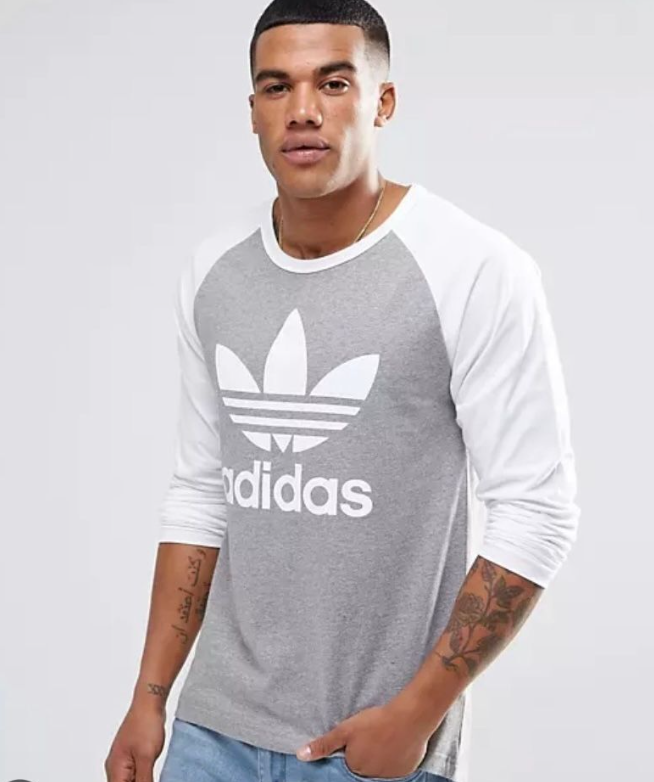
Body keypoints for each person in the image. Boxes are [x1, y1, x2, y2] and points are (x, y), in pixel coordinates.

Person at [104, 1, 581, 781]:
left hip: (369, 746)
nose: (302, 111)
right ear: (253, 111)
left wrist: (415, 716)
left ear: (382, 101)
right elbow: (201, 494)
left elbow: (537, 512)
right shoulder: (215, 273)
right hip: (209, 734)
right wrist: (148, 699)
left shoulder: (473, 269)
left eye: (333, 83)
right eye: (277, 87)